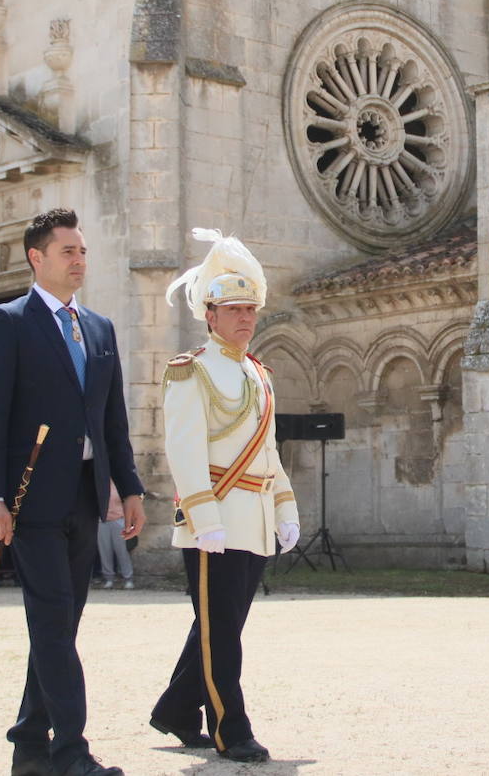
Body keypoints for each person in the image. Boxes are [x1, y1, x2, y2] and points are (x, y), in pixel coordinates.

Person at [0, 207, 146, 776]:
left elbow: (111, 419)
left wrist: (131, 487)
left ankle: (28, 744)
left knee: (61, 624)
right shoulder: (8, 320)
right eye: (68, 251)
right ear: (36, 258)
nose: (79, 261)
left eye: (84, 251)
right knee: (51, 620)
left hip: (86, 496)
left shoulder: (99, 328)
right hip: (29, 502)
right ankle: (71, 752)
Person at [149, 229, 300, 763]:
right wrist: (203, 514)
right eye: (232, 309)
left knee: (221, 625)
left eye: (250, 309)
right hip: (214, 519)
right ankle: (230, 729)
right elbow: (184, 450)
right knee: (222, 634)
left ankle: (174, 708)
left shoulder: (259, 374)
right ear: (209, 315)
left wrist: (285, 508)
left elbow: (270, 453)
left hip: (255, 518)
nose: (244, 318)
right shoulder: (191, 371)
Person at [96, 482, 134, 589]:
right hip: (102, 521)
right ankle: (108, 578)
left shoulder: (119, 484)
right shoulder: (98, 485)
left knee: (122, 550)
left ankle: (128, 578)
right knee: (105, 551)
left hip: (119, 520)